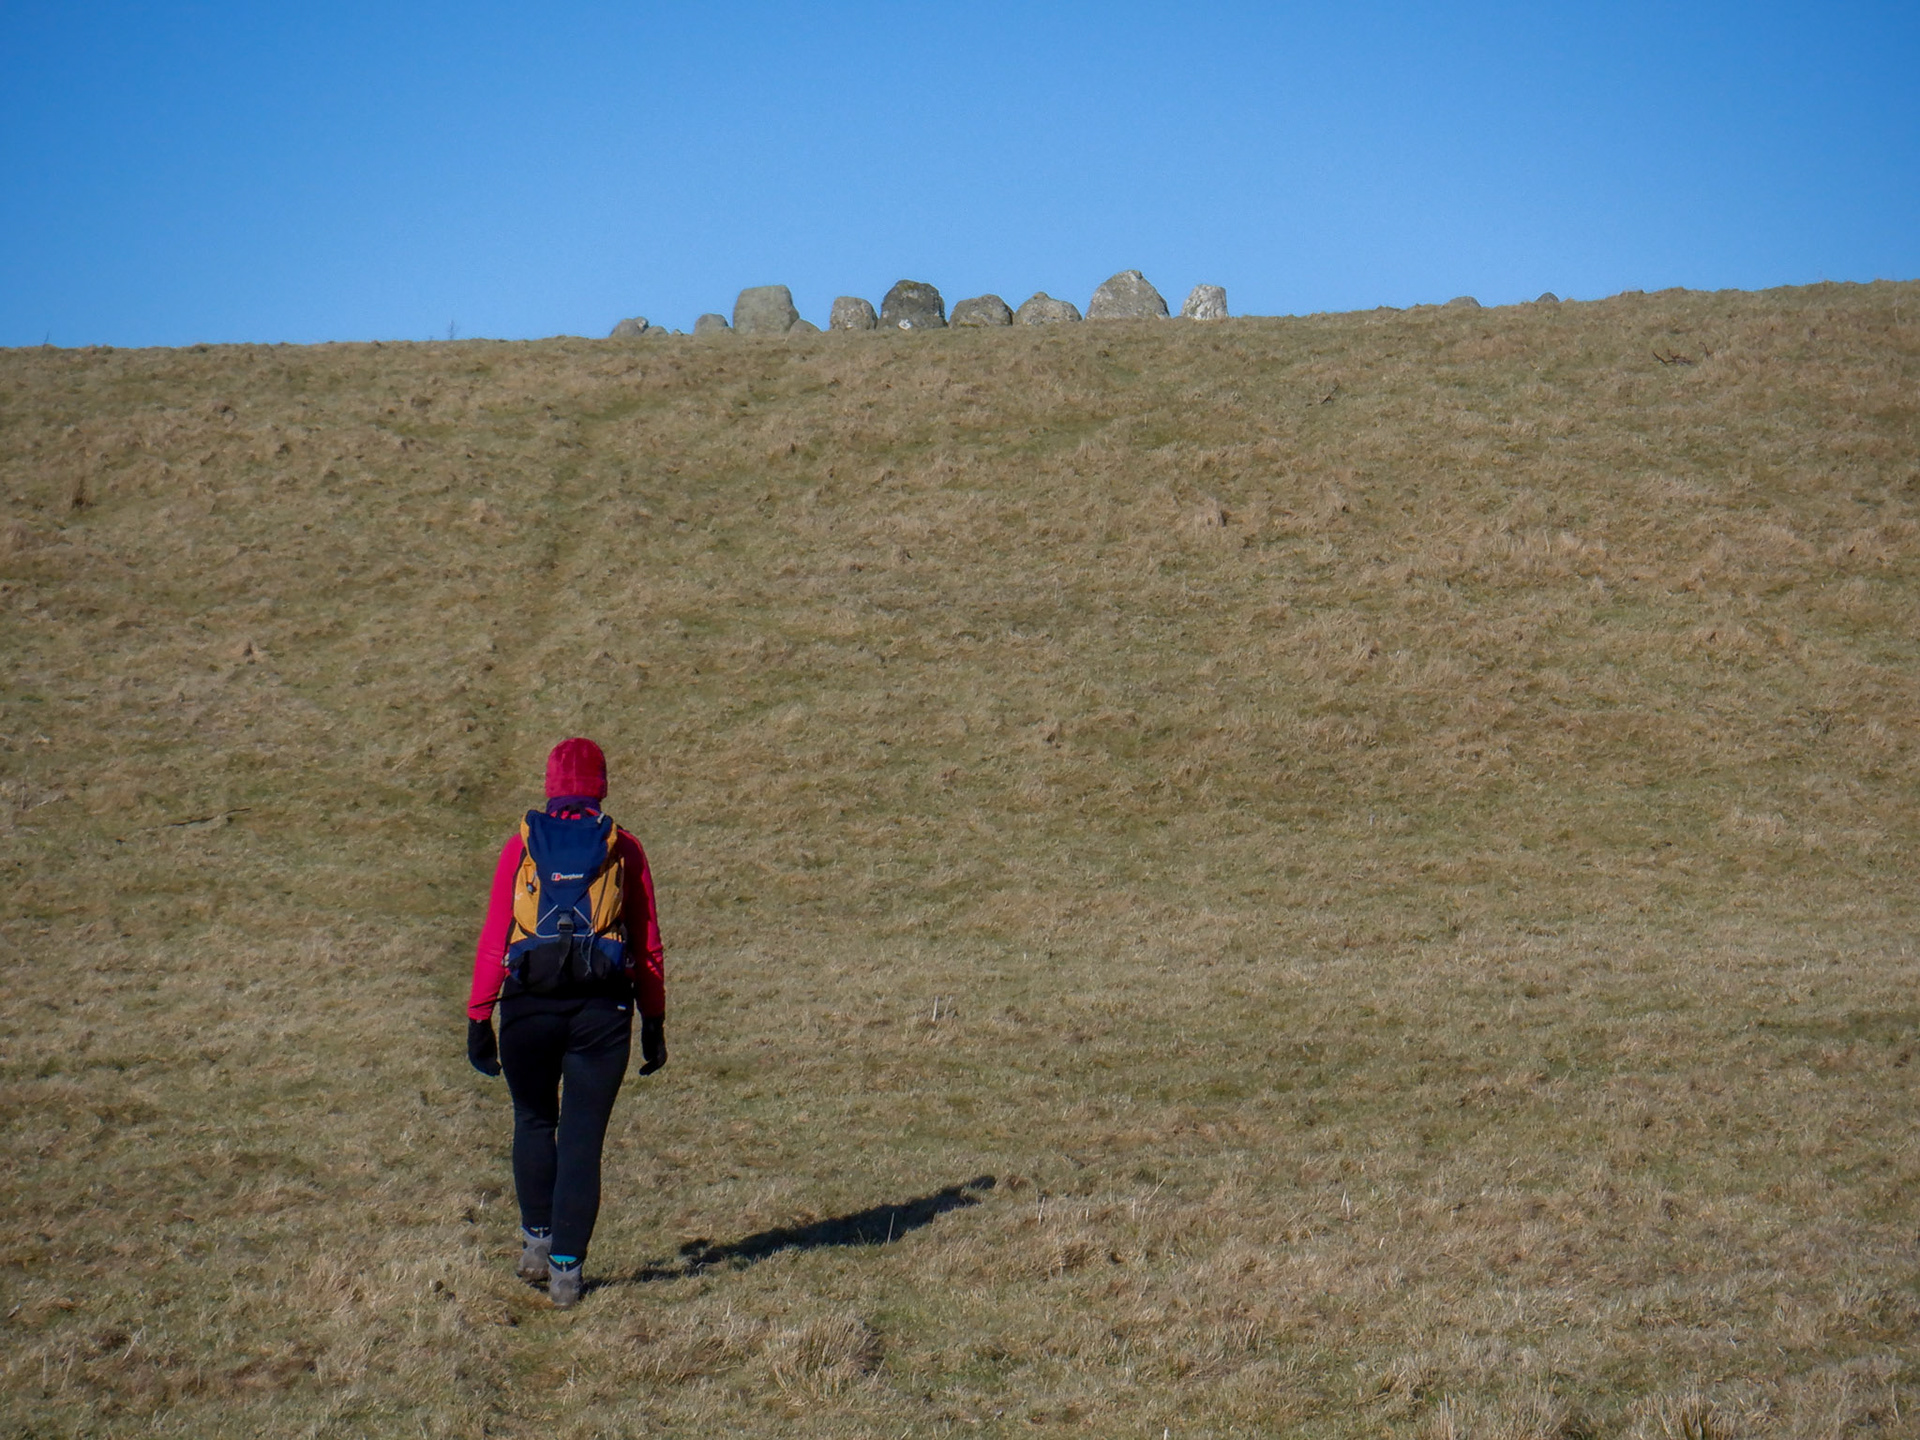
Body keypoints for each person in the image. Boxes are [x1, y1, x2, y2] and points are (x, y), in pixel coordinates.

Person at [466, 737, 666, 1308]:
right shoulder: (622, 848)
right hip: (603, 1013)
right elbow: (648, 945)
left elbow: (493, 938)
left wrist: (480, 1015)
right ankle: (565, 1274)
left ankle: (535, 1241)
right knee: (582, 1140)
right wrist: (654, 1020)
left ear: (550, 785)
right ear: (601, 786)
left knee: (533, 1120)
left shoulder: (521, 847)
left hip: (527, 1008)